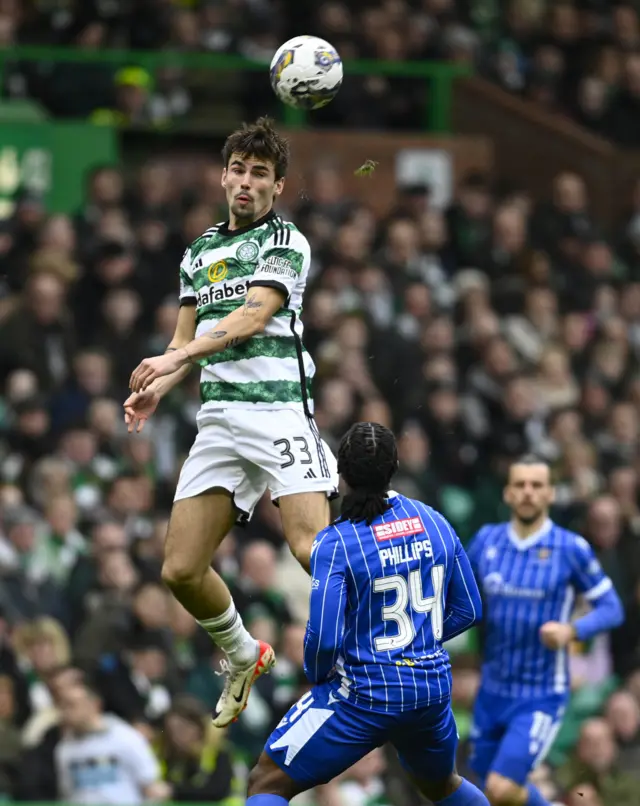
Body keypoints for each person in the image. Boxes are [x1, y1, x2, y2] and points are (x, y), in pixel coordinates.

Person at [123, 117, 339, 727]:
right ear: (223, 176)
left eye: (260, 174)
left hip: (280, 414)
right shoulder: (199, 252)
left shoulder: (286, 242)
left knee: (307, 547)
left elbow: (249, 317)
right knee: (180, 570)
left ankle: (373, 647)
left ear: (278, 185)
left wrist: (176, 358)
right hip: (218, 420)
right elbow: (184, 338)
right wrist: (160, 388)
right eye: (238, 170)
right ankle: (244, 654)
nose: (246, 182)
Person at [246, 421, 490, 806]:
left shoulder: (336, 541)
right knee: (442, 785)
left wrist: (320, 674)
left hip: (365, 695)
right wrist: (415, 645)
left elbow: (323, 640)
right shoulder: (434, 521)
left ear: (340, 474)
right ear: (395, 465)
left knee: (267, 783)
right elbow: (470, 608)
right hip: (429, 691)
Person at [466, 454, 625, 806]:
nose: (528, 493)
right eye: (520, 485)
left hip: (539, 694)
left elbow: (612, 608)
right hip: (491, 690)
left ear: (550, 494)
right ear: (507, 493)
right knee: (485, 794)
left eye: (536, 485)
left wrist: (572, 631)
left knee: (502, 788)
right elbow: (456, 597)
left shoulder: (571, 548)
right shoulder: (485, 543)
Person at [54, 682, 170, 804]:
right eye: (62, 706)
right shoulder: (64, 748)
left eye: (71, 705)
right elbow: (67, 792)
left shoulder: (125, 738)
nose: (65, 712)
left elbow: (151, 786)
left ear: (94, 704)